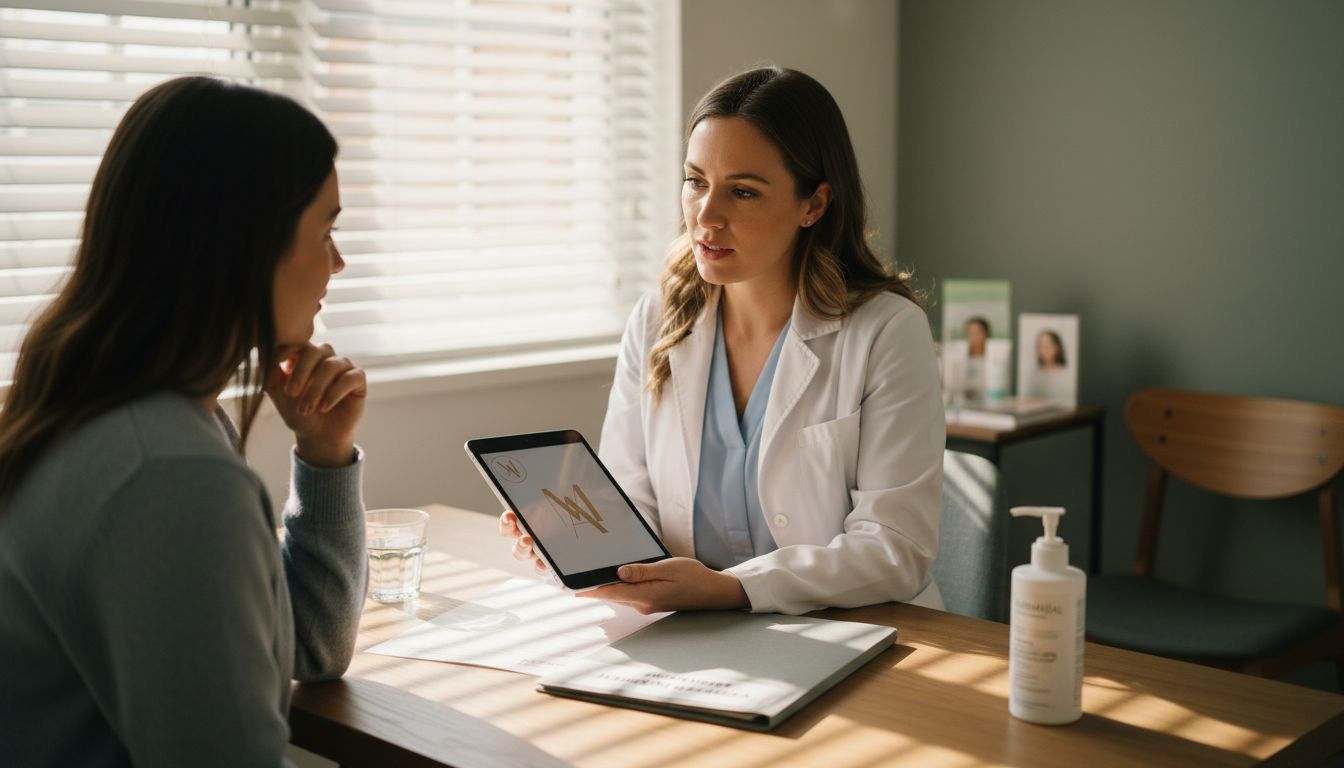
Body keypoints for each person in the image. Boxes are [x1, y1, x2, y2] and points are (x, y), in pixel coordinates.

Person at [0, 77, 367, 766]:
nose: (338, 263)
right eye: (326, 231)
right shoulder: (168, 474)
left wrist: (324, 453)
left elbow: (306, 647)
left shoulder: (136, 413)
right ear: (244, 247)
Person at [502, 66, 945, 615]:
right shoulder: (658, 318)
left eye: (743, 191)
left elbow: (895, 548)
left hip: (856, 629)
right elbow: (631, 499)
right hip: (694, 631)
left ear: (814, 204)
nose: (706, 216)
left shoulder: (886, 331)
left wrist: (733, 589)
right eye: (695, 181)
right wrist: (577, 534)